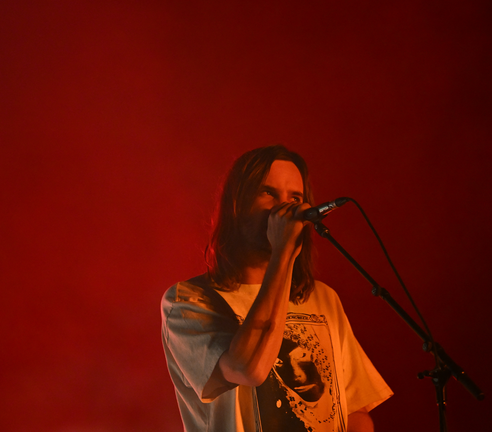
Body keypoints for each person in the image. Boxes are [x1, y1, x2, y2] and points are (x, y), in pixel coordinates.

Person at [161, 145, 392, 432]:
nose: (285, 208)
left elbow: (355, 410)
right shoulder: (188, 301)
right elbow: (249, 369)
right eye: (268, 193)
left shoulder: (322, 298)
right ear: (238, 205)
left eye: (295, 197)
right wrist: (282, 252)